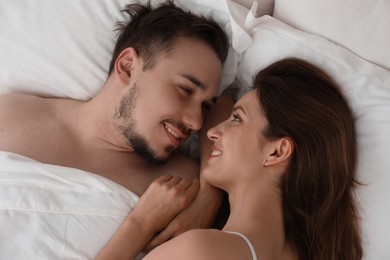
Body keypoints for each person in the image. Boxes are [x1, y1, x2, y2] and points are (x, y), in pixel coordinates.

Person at [0, 1, 229, 248]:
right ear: (128, 67)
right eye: (185, 89)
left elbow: (230, 107)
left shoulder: (183, 183)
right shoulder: (11, 115)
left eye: (206, 105)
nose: (196, 122)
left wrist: (210, 193)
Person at [97, 58, 363, 260]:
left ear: (277, 152)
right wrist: (208, 194)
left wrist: (139, 224)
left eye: (237, 119)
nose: (211, 131)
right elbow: (221, 106)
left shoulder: (200, 251)